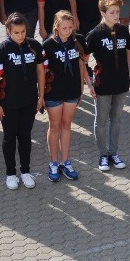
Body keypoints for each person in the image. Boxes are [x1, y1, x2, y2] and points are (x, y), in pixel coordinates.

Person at [0, 13, 45, 190]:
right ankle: (10, 173)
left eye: (23, 32)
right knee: (9, 138)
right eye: (16, 32)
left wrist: (41, 95)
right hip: (8, 103)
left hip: (29, 101)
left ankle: (26, 171)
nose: (20, 36)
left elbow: (40, 72)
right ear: (8, 31)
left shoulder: (34, 46)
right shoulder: (0, 51)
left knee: (25, 136)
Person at [42, 11, 92, 182]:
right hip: (54, 92)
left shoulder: (77, 41)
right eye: (64, 28)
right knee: (54, 126)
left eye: (70, 27)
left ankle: (65, 161)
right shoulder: (47, 45)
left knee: (67, 125)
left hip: (72, 91)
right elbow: (42, 72)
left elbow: (81, 65)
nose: (68, 31)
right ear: (56, 27)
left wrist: (84, 87)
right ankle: (53, 163)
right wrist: (41, 95)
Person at [86, 0, 130, 172]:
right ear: (103, 13)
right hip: (103, 84)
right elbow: (84, 59)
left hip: (121, 83)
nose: (116, 15)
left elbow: (127, 52)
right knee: (102, 120)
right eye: (112, 12)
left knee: (117, 119)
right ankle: (103, 155)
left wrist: (126, 71)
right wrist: (90, 83)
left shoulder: (123, 30)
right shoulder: (94, 34)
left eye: (118, 12)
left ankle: (114, 153)